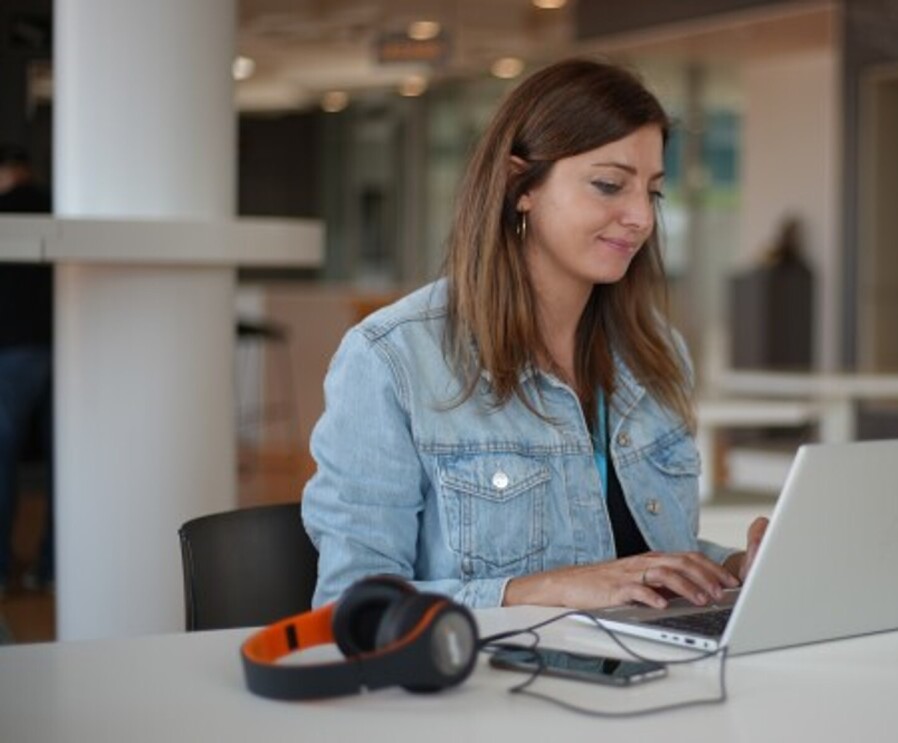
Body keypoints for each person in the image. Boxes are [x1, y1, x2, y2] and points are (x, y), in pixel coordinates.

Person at [303, 58, 767, 611]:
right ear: (518, 184)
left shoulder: (657, 351)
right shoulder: (392, 359)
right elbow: (350, 606)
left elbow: (640, 556)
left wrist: (729, 569)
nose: (641, 217)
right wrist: (552, 589)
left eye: (653, 192)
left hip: (649, 675)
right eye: (608, 185)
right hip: (491, 688)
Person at [0, 144, 54, 599]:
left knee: (1, 461)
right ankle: (53, 566)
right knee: (65, 467)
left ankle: (0, 568)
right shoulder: (58, 205)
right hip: (65, 352)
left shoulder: (5, 213)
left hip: (13, 350)